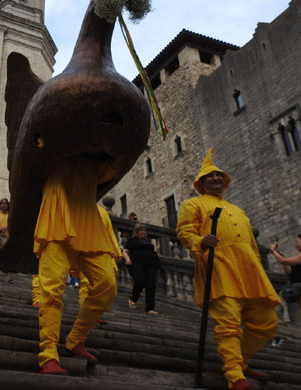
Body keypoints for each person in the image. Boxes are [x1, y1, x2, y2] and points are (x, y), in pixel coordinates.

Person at [176, 148, 280, 390]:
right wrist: (200, 241)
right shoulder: (193, 204)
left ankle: (240, 361)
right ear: (201, 183)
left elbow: (252, 244)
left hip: (249, 270)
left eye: (218, 175)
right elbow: (183, 232)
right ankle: (235, 375)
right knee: (229, 323)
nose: (215, 179)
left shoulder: (238, 210)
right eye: (210, 176)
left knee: (266, 322)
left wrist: (259, 268)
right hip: (219, 267)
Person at [33, 157, 121, 375]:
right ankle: (48, 354)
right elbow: (35, 152)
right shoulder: (51, 149)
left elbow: (110, 170)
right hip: (56, 214)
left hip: (88, 220)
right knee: (52, 288)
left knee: (107, 285)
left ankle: (76, 339)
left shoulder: (96, 157)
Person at [123, 223, 161, 314]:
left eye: (144, 230)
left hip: (151, 265)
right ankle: (133, 300)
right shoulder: (132, 241)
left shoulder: (149, 242)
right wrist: (127, 259)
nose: (143, 232)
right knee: (140, 281)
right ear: (136, 232)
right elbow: (125, 251)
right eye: (140, 230)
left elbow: (153, 252)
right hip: (137, 264)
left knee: (151, 285)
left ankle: (150, 308)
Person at [270, 233, 301, 325]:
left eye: (297, 242)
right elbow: (289, 271)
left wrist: (273, 251)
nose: (295, 244)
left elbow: (284, 261)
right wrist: (280, 255)